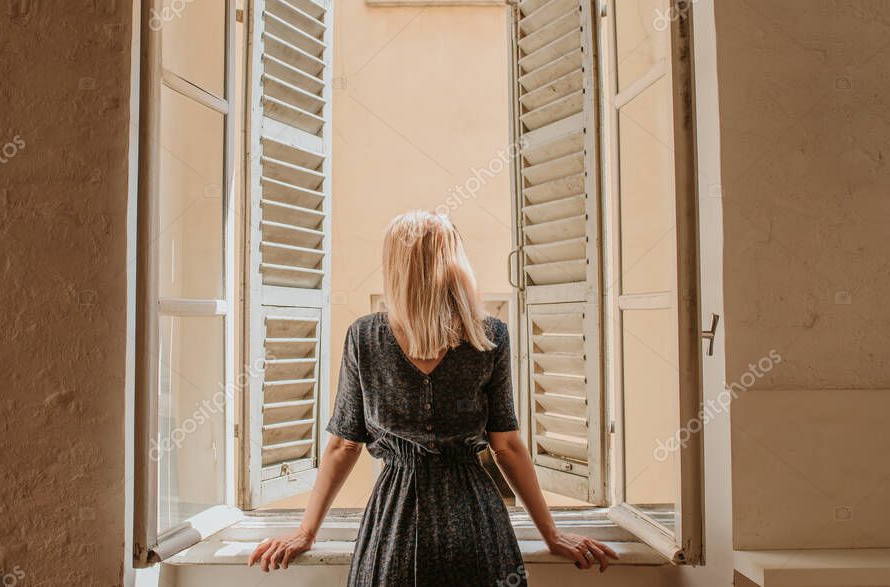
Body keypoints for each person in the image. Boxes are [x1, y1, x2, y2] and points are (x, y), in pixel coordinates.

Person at [248, 210, 618, 585]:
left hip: (394, 526)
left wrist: (306, 531)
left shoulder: (364, 337)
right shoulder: (489, 337)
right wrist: (550, 534)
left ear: (395, 267)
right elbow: (506, 447)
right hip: (475, 525)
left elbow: (345, 445)